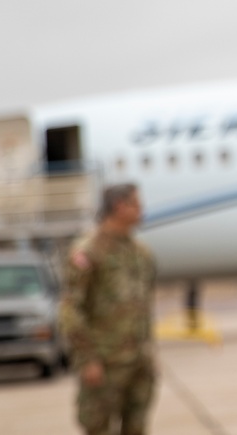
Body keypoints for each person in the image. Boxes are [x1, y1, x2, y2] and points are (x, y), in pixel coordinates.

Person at [59, 183, 157, 435]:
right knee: (98, 428)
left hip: (138, 363)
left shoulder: (140, 253)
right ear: (120, 207)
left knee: (137, 428)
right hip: (104, 363)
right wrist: (86, 359)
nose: (141, 210)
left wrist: (148, 353)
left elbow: (143, 307)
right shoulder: (87, 252)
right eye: (136, 204)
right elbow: (71, 309)